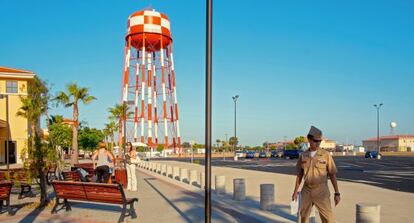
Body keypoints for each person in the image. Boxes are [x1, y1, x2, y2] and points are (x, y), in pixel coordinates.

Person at [292, 126, 340, 223]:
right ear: (309, 139)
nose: (318, 143)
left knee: (328, 219)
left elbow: (332, 174)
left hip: (321, 190)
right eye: (315, 141)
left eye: (319, 141)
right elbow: (299, 175)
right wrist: (295, 192)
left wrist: (337, 193)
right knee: (304, 217)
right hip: (307, 190)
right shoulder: (303, 155)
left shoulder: (325, 155)